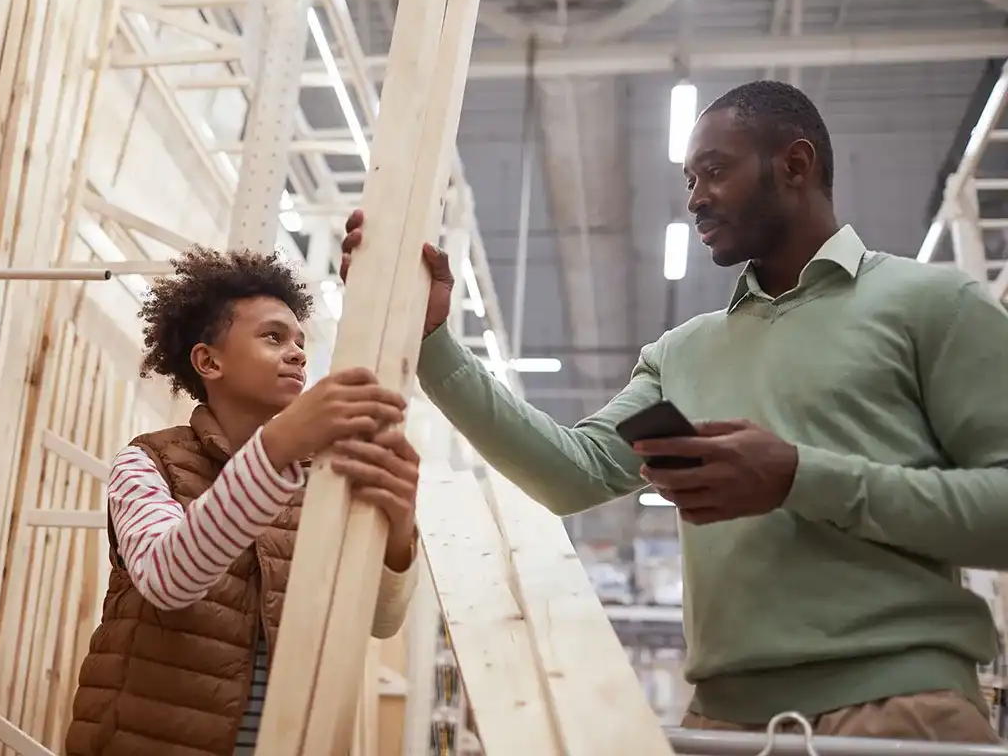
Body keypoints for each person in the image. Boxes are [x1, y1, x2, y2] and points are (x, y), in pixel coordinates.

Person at [339, 80, 1008, 743]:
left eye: (714, 172)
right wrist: (432, 343)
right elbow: (570, 473)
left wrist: (799, 477)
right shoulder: (683, 353)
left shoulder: (932, 306)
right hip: (721, 724)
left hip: (899, 713)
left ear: (795, 165)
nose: (695, 199)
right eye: (689, 179)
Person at [66, 248, 422, 756]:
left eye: (300, 341)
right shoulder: (148, 462)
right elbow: (168, 579)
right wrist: (279, 446)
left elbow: (380, 622)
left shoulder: (318, 481)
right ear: (209, 360)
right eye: (274, 337)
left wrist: (401, 528)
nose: (298, 353)